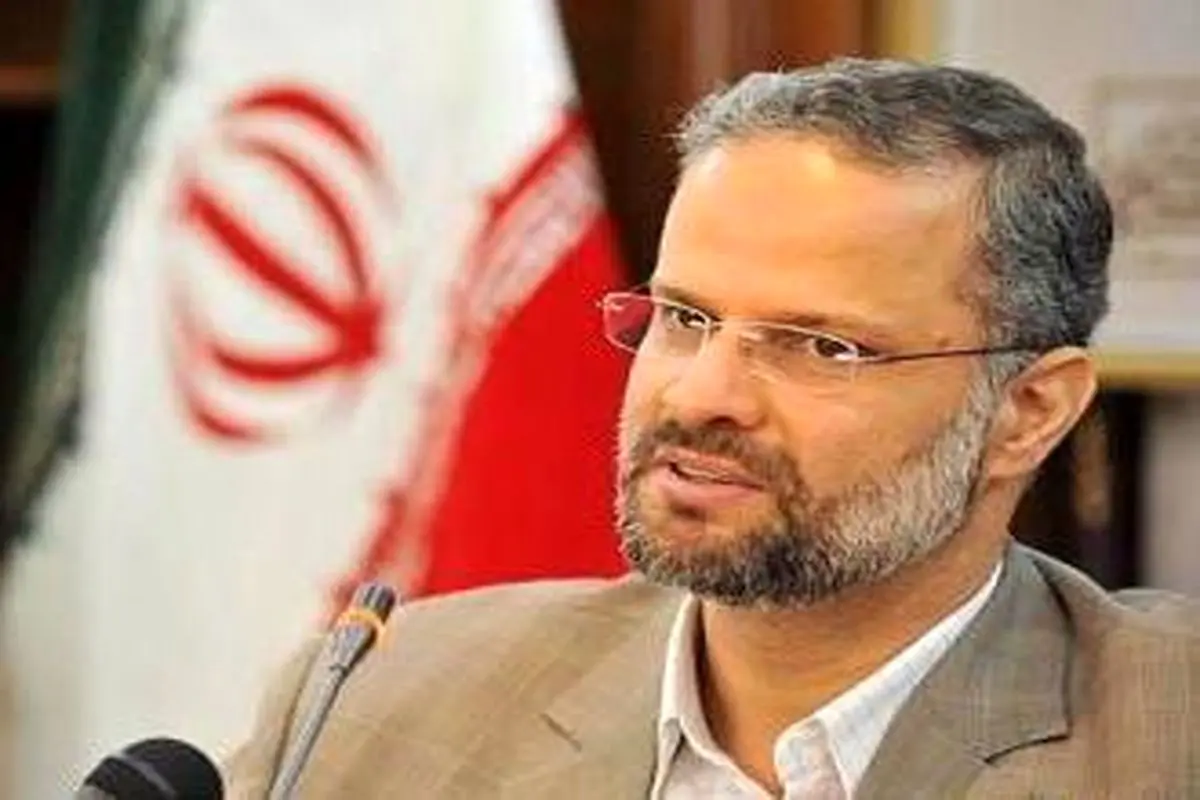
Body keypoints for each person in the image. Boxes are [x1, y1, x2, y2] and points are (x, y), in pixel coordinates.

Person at [224, 58, 1199, 798]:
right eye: (685, 318)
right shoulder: (374, 701)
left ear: (1028, 411)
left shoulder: (1167, 735)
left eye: (822, 345)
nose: (700, 396)